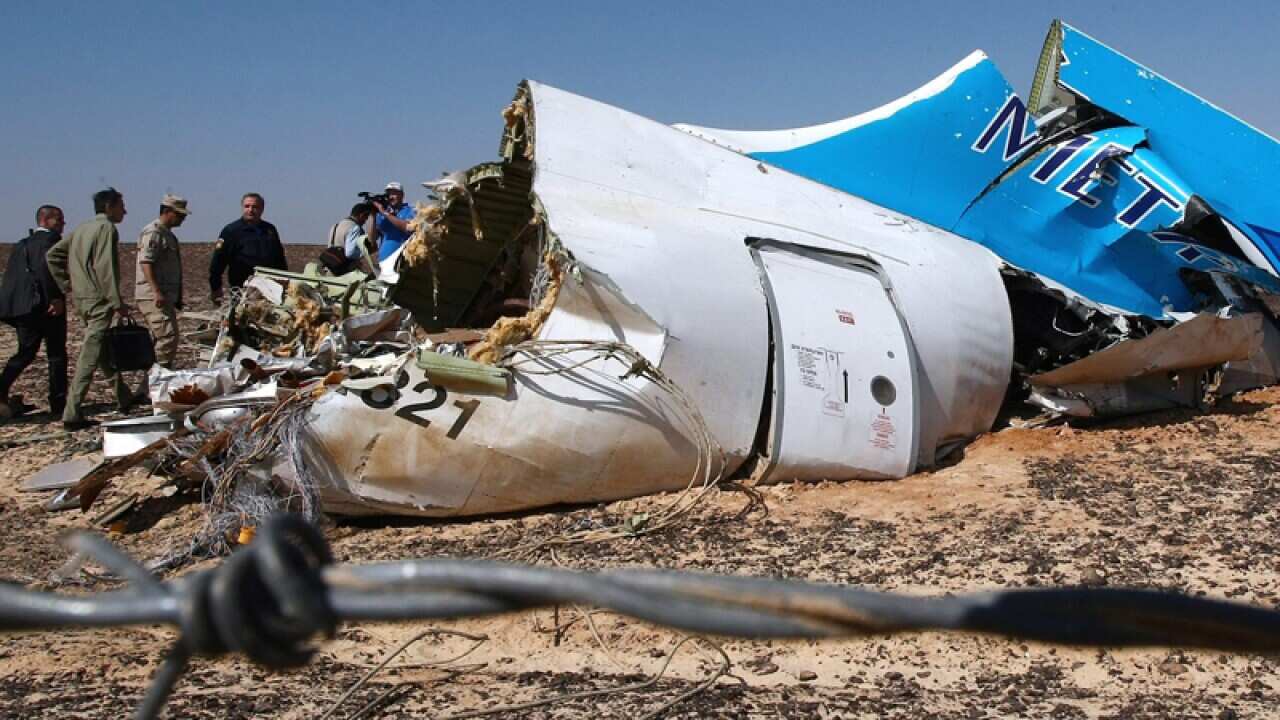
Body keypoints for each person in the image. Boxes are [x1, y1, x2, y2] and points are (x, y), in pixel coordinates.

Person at [46, 188, 138, 430]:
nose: (125, 211)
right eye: (121, 206)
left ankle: (123, 396)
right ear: (109, 207)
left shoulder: (82, 228)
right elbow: (105, 268)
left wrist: (69, 285)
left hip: (83, 300)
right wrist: (117, 303)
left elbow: (53, 255)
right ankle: (72, 412)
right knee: (89, 355)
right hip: (99, 301)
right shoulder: (107, 228)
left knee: (100, 349)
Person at [0, 205, 69, 419]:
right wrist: (56, 298)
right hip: (46, 307)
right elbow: (46, 269)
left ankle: (2, 387)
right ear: (47, 220)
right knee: (56, 354)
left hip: (23, 308)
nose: (62, 226)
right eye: (60, 221)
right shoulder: (49, 243)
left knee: (26, 352)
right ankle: (58, 403)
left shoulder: (22, 244)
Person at [136, 195, 190, 369]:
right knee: (167, 338)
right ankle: (154, 383)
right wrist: (156, 291)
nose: (183, 219)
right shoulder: (154, 233)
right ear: (167, 212)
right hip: (154, 297)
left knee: (162, 338)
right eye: (179, 215)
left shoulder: (167, 235)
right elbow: (146, 263)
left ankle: (151, 385)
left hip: (165, 296)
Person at [209, 192, 286, 303]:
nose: (250, 210)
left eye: (255, 207)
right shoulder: (231, 231)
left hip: (271, 290)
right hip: (242, 289)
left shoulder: (270, 230)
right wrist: (215, 288)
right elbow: (218, 262)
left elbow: (279, 258)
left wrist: (284, 282)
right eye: (247, 206)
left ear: (262, 209)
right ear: (242, 207)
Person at [371, 182, 416, 262]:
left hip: (402, 261)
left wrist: (385, 213)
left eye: (394, 194)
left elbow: (408, 228)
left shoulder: (410, 210)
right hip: (383, 261)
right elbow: (373, 238)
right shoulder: (383, 214)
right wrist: (373, 216)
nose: (390, 197)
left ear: (402, 195)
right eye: (388, 194)